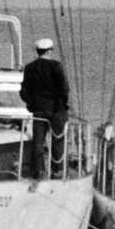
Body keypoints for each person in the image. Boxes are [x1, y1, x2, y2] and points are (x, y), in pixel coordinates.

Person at [20, 38, 70, 177]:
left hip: (38, 110)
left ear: (37, 50)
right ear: (49, 50)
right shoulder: (56, 66)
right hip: (56, 110)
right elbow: (64, 88)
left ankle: (38, 171)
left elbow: (24, 91)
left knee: (38, 141)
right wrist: (64, 104)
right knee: (57, 141)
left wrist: (31, 104)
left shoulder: (29, 67)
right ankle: (57, 171)